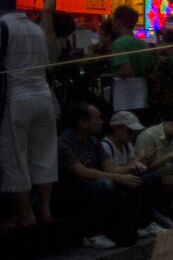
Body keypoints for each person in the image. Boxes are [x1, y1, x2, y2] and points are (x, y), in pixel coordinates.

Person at [0, 0, 57, 227]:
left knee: (14, 156)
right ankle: (45, 210)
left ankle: (24, 214)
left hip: (15, 99)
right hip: (43, 98)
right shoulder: (35, 29)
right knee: (43, 154)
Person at [58, 102, 152, 248]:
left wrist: (132, 169)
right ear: (83, 123)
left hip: (97, 184)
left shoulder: (93, 141)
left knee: (137, 178)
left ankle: (137, 223)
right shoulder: (65, 143)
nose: (101, 122)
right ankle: (92, 234)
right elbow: (83, 172)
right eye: (97, 118)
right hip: (75, 189)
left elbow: (110, 168)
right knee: (106, 184)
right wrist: (119, 177)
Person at [101, 110, 169, 230]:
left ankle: (152, 219)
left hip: (127, 177)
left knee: (152, 177)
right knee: (145, 180)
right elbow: (111, 169)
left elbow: (132, 162)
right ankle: (145, 222)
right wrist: (131, 166)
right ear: (117, 129)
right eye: (130, 132)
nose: (132, 136)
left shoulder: (127, 145)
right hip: (116, 179)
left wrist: (139, 162)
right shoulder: (106, 146)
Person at [107, 5, 152, 80]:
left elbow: (126, 72)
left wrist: (105, 76)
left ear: (118, 21)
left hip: (124, 89)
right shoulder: (144, 44)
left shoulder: (119, 44)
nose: (112, 24)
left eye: (113, 20)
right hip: (142, 89)